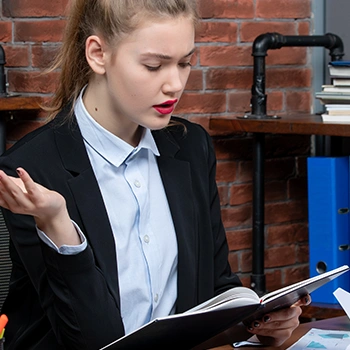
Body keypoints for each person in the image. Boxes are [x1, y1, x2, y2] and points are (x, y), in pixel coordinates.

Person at [0, 0, 310, 349]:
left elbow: (214, 288)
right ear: (98, 54)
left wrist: (258, 321)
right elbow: (88, 340)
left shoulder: (191, 147)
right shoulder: (30, 171)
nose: (175, 84)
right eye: (154, 66)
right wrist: (59, 226)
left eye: (184, 63)